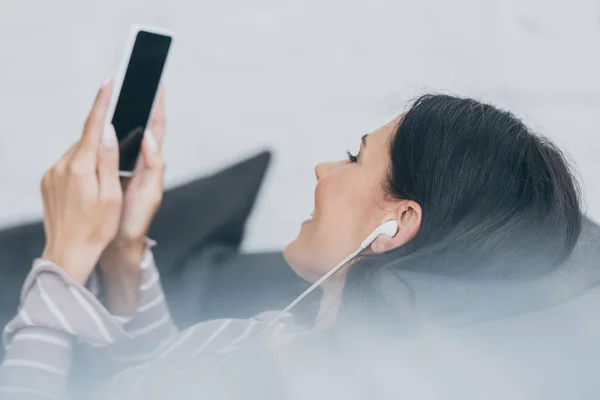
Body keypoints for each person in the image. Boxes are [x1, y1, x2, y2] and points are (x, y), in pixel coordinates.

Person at [0, 81, 582, 400]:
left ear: (398, 223)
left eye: (356, 158)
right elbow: (157, 375)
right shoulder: (292, 339)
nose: (324, 169)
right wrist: (126, 251)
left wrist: (64, 257)